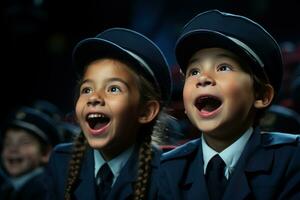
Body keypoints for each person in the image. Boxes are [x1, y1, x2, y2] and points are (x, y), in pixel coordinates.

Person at [157, 9, 300, 200]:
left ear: (262, 95)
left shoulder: (292, 159)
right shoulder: (164, 171)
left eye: (223, 67)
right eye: (194, 71)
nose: (203, 78)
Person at [45, 27, 172, 200]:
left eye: (113, 88)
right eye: (87, 89)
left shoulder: (167, 173)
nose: (94, 97)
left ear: (146, 111)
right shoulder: (61, 162)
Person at [0, 106, 61, 200]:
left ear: (46, 153)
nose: (13, 149)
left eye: (25, 142)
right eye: (8, 143)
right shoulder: (8, 188)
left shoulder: (44, 191)